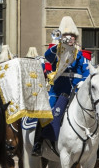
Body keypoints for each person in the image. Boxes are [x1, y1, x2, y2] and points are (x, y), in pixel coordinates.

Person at [32, 16, 90, 156]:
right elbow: (48, 57)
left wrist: (82, 81)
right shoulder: (56, 51)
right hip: (58, 91)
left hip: (76, 91)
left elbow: (86, 71)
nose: (70, 38)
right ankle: (38, 143)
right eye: (66, 35)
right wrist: (58, 44)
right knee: (47, 112)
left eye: (72, 36)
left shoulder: (80, 55)